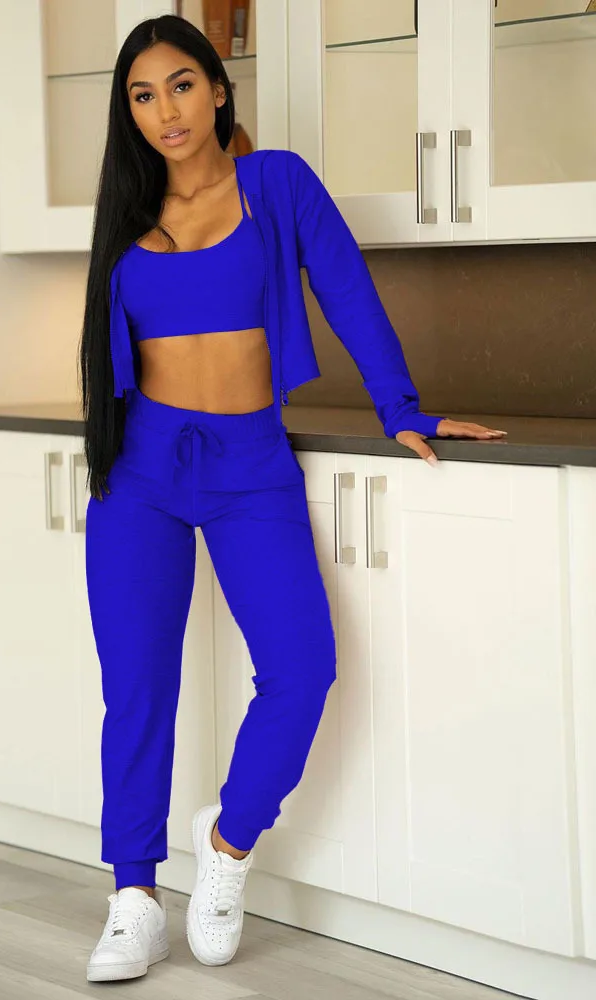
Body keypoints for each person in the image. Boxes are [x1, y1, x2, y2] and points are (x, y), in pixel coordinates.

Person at [78, 14, 506, 984]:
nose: (165, 110)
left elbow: (347, 291)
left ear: (218, 89)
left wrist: (401, 406)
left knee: (302, 669)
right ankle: (133, 898)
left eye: (181, 85)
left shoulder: (274, 184)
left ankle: (226, 846)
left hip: (249, 466)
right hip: (141, 472)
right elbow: (106, 354)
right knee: (137, 688)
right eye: (142, 95)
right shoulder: (124, 210)